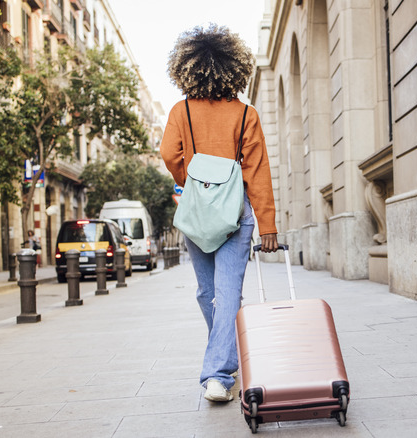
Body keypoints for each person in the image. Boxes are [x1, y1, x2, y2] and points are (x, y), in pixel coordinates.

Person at [160, 24, 278, 402]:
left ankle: (218, 373)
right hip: (235, 215)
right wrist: (268, 226)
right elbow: (257, 171)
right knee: (227, 293)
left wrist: (191, 182)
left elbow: (168, 154)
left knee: (207, 292)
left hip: (197, 216)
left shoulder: (182, 111)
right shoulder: (246, 114)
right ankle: (225, 361)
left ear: (189, 68)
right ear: (233, 69)